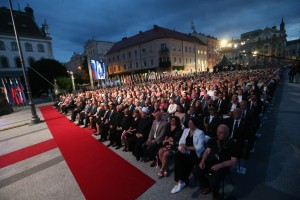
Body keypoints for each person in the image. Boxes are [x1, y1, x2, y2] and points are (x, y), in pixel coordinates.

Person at [198, 124, 239, 200]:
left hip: (223, 165)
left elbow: (234, 161)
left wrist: (219, 165)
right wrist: (202, 161)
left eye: (221, 133)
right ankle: (207, 186)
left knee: (214, 179)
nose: (218, 134)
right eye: (217, 132)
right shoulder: (214, 139)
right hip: (212, 161)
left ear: (227, 133)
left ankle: (215, 195)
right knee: (197, 170)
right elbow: (207, 151)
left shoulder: (233, 143)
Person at [171, 118, 205, 194]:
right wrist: (181, 146)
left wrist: (187, 147)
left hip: (194, 153)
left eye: (191, 123)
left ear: (195, 124)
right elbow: (181, 140)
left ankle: (180, 181)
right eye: (189, 123)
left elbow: (200, 147)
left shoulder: (200, 133)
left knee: (182, 158)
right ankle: (180, 181)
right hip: (185, 150)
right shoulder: (186, 130)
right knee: (179, 156)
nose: (189, 124)